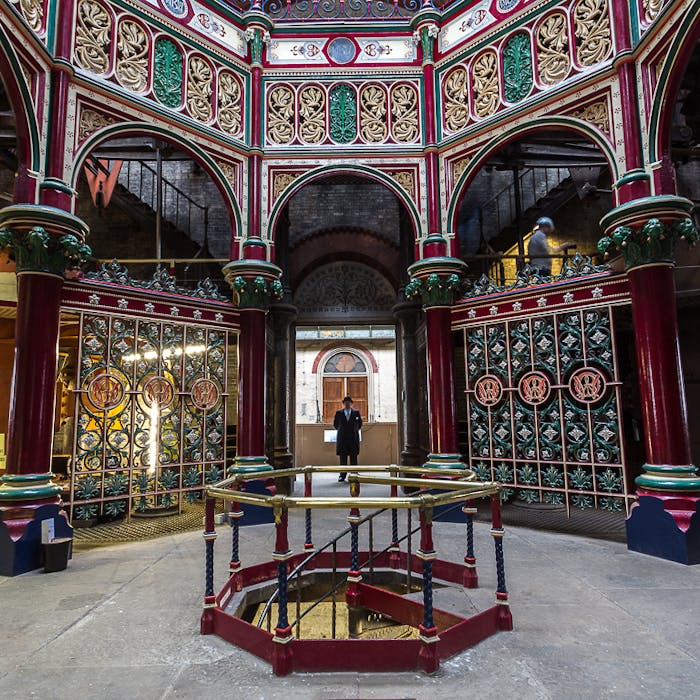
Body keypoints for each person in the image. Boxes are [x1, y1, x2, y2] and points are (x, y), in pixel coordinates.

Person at [333, 396, 362, 482]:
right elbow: (335, 424)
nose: (347, 403)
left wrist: (354, 430)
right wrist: (342, 431)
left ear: (351, 403)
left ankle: (354, 473)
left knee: (354, 457)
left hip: (353, 438)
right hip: (343, 439)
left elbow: (359, 424)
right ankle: (342, 475)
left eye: (348, 402)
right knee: (343, 458)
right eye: (345, 402)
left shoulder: (356, 412)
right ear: (344, 403)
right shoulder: (339, 413)